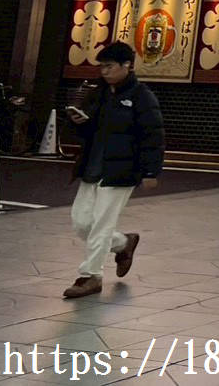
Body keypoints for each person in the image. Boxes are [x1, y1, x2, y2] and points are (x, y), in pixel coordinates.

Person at [63, 41, 164, 299]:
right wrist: (78, 122)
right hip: (92, 165)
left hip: (122, 170)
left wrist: (151, 171)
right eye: (102, 67)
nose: (104, 71)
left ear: (126, 65)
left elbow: (153, 135)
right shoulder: (99, 93)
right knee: (81, 222)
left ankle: (90, 276)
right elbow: (89, 130)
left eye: (109, 66)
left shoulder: (141, 96)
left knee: (101, 224)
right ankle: (123, 243)